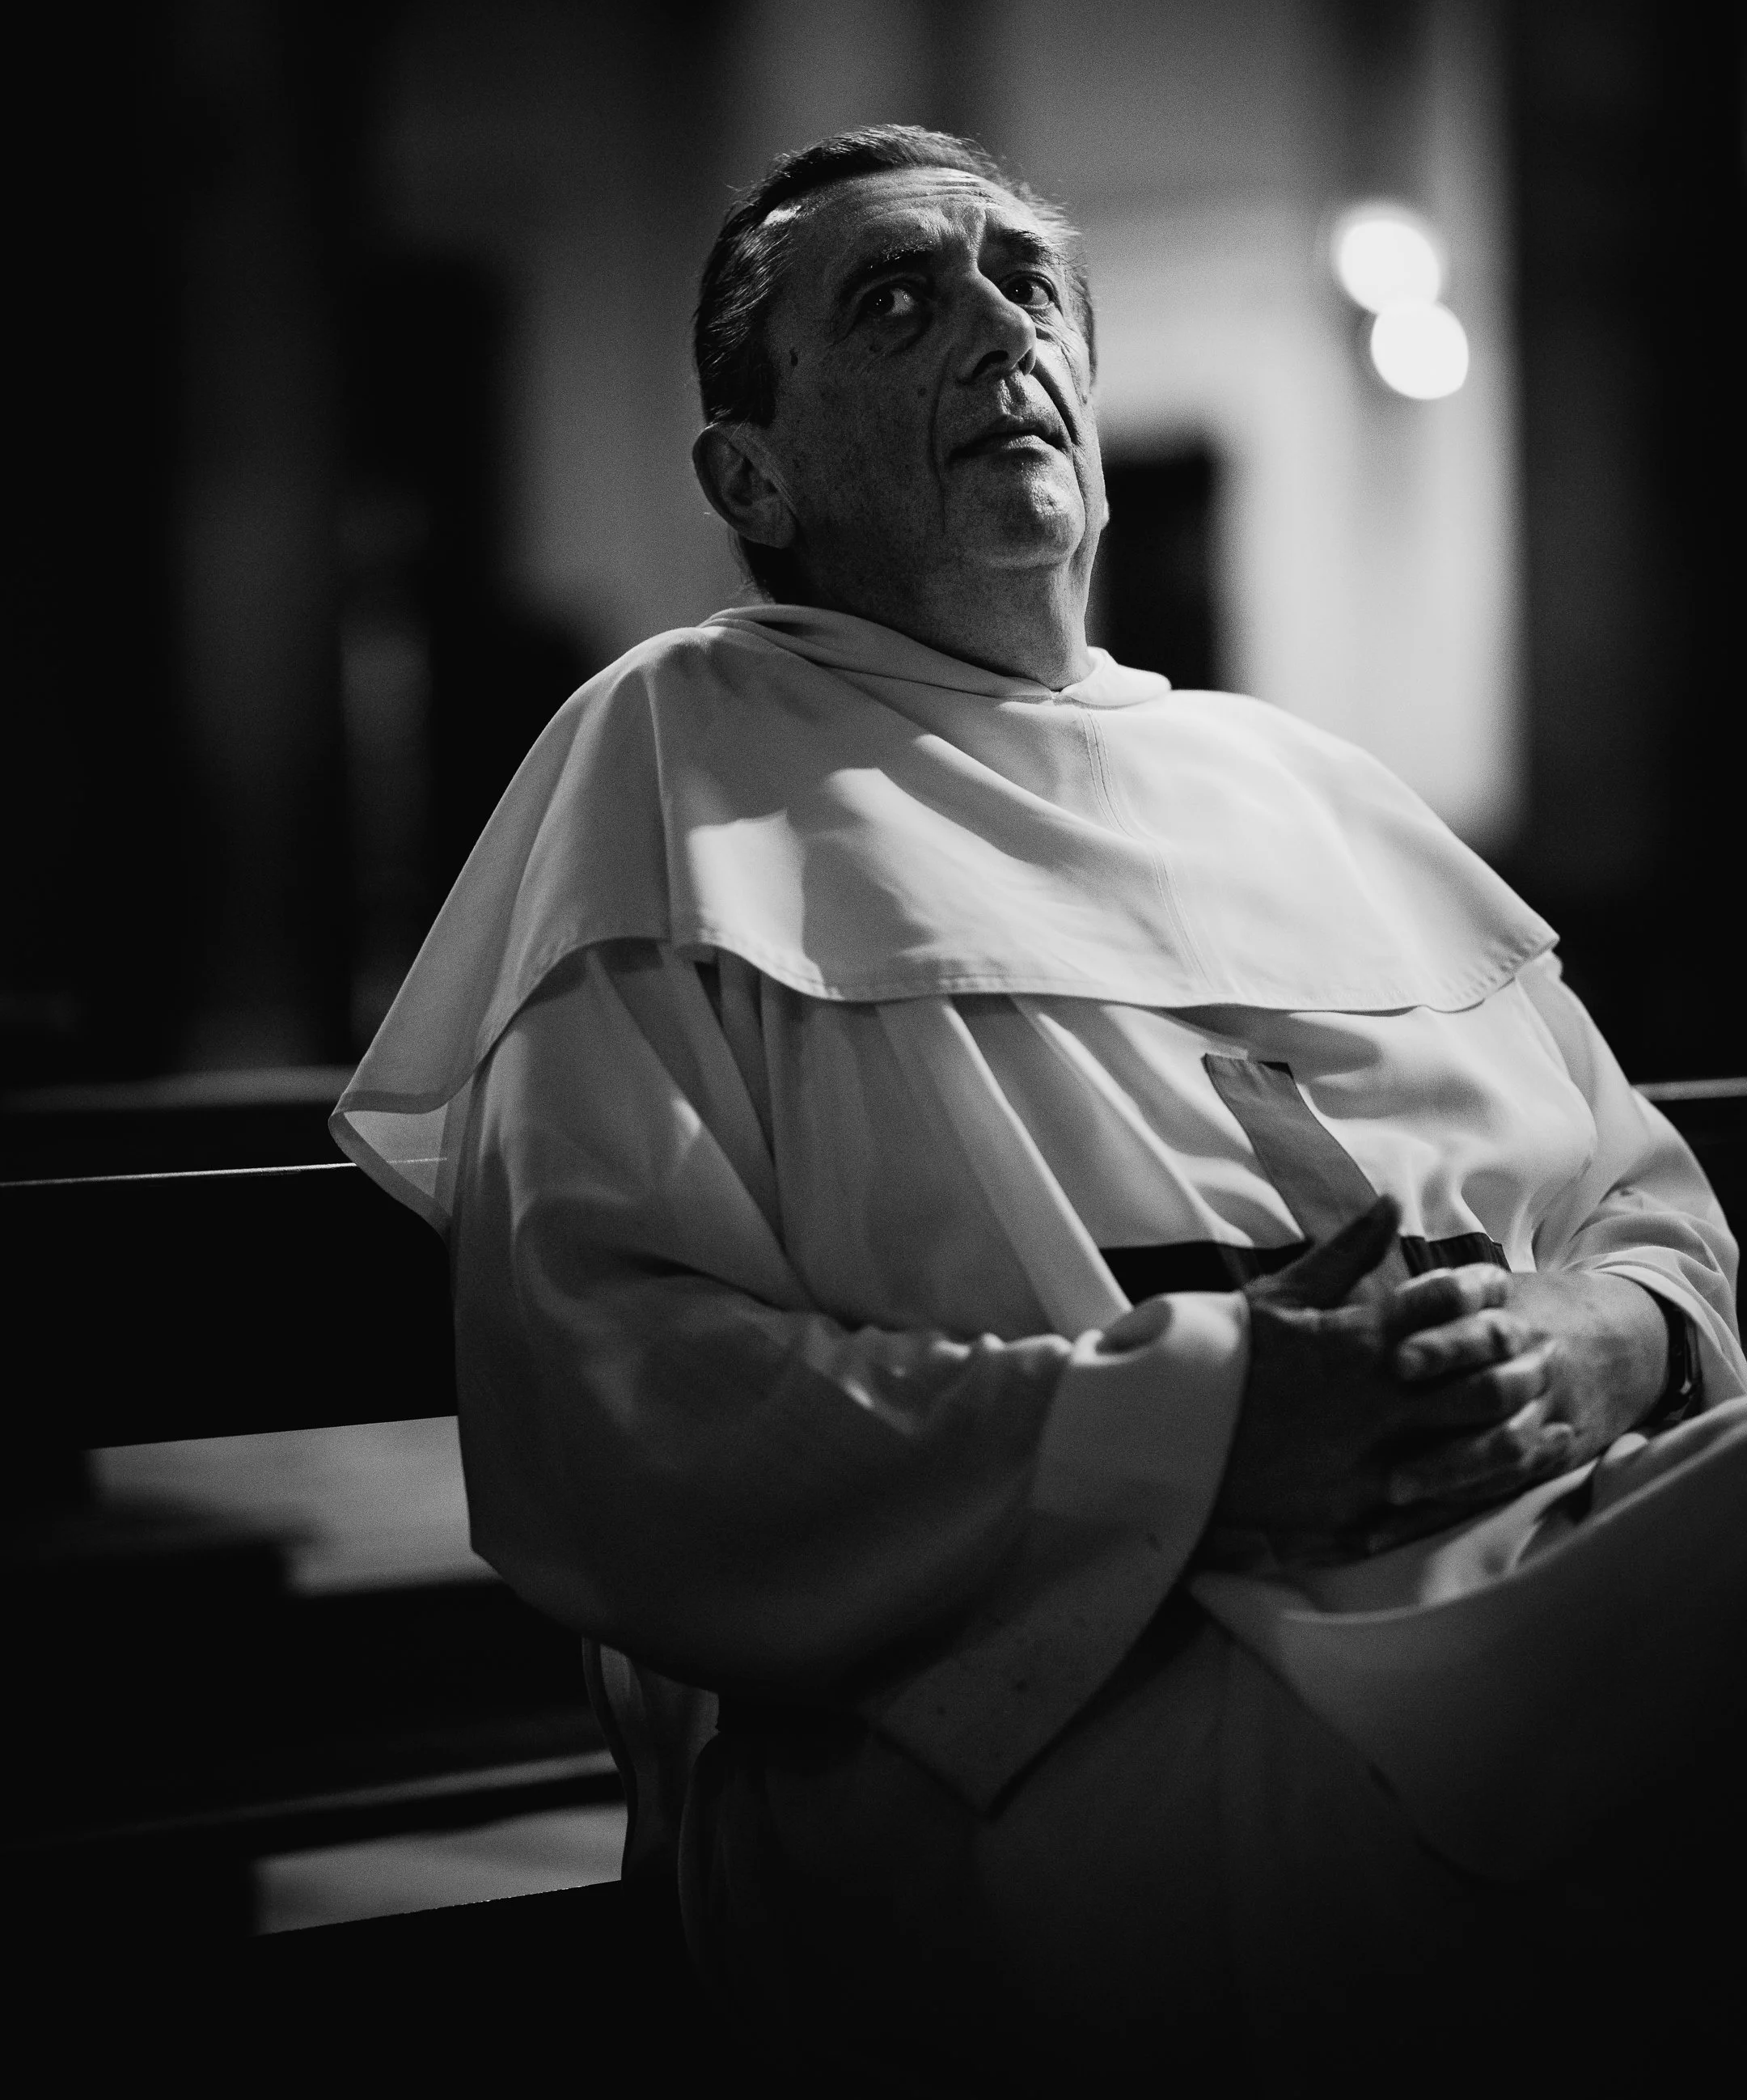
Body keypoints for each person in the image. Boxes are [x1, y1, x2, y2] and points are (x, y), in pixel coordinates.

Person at [333, 127, 1745, 2082]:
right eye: (899, 300)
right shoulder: (675, 754)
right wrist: (1207, 1430)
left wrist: (1611, 1338)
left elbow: (1646, 1210)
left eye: (1028, 283)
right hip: (1025, 1739)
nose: (1000, 326)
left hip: (1536, 1586)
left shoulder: (1305, 783)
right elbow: (625, 1408)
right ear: (750, 472)